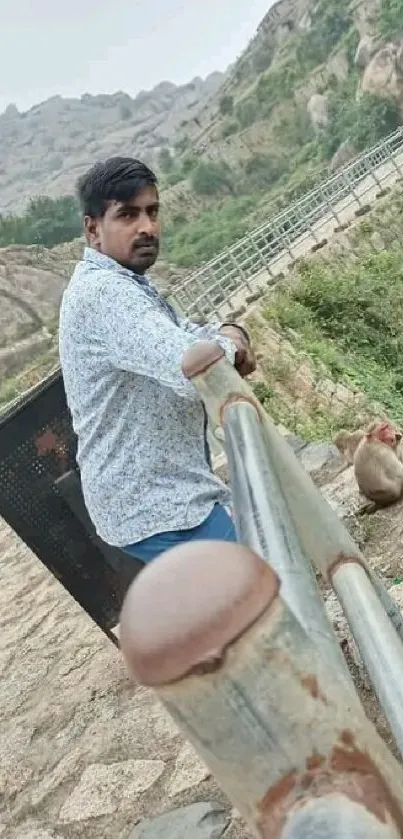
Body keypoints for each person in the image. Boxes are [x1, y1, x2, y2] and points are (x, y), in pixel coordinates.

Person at [59, 157, 256, 564]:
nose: (147, 226)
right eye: (128, 215)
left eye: (152, 211)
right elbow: (191, 365)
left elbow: (189, 333)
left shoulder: (126, 283)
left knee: (255, 584)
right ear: (93, 228)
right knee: (261, 580)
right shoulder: (103, 295)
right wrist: (233, 343)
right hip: (155, 504)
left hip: (168, 489)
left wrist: (231, 332)